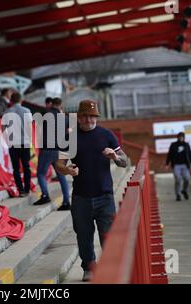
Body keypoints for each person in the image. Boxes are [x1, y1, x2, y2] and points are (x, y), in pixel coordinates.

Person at [55, 99, 128, 282]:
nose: (89, 120)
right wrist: (67, 170)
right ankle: (89, 268)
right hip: (81, 197)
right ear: (79, 118)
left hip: (105, 196)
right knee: (84, 236)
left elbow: (124, 160)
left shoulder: (106, 135)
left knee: (108, 235)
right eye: (85, 116)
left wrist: (115, 157)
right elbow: (59, 164)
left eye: (92, 116)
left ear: (96, 117)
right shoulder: (70, 137)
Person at [33, 97, 71, 210]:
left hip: (47, 148)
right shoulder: (65, 118)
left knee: (41, 173)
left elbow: (38, 130)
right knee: (61, 176)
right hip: (60, 149)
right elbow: (70, 133)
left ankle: (45, 195)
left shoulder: (45, 114)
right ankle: (66, 201)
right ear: (60, 105)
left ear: (51, 104)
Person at [2, 92, 33, 197]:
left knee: (16, 168)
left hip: (13, 144)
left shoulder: (7, 112)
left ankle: (21, 190)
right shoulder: (27, 111)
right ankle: (27, 189)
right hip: (25, 142)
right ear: (21, 100)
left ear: (11, 101)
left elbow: (3, 129)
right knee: (26, 166)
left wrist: (7, 140)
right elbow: (29, 128)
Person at [166, 132, 191, 201]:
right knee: (178, 179)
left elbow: (190, 154)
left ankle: (184, 190)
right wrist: (167, 164)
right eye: (179, 137)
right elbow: (169, 154)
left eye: (182, 137)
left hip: (185, 165)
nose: (181, 138)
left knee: (187, 179)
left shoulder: (186, 145)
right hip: (176, 165)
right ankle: (178, 195)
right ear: (178, 137)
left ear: (184, 138)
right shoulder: (173, 145)